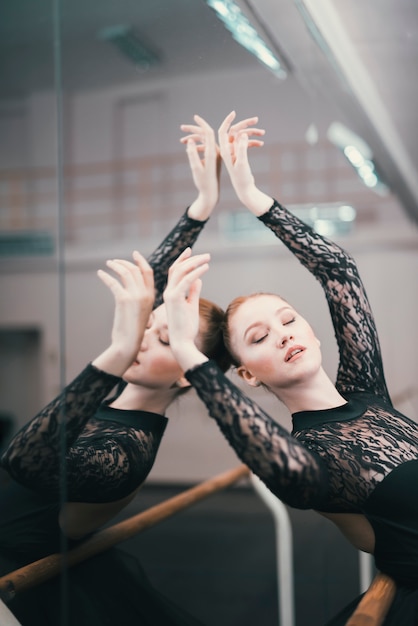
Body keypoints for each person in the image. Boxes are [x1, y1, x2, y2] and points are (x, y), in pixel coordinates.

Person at [163, 111, 418, 625]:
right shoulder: (304, 454)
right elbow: (264, 448)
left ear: (312, 330)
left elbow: (338, 271)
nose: (282, 333)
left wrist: (254, 196)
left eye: (288, 320)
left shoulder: (366, 392)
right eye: (259, 337)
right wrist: (189, 355)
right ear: (249, 375)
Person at [0, 114, 237, 626]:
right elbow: (153, 276)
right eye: (146, 327)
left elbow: (23, 459)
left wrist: (117, 347)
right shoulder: (114, 401)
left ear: (185, 374)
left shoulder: (126, 452)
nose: (142, 337)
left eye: (163, 338)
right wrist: (202, 206)